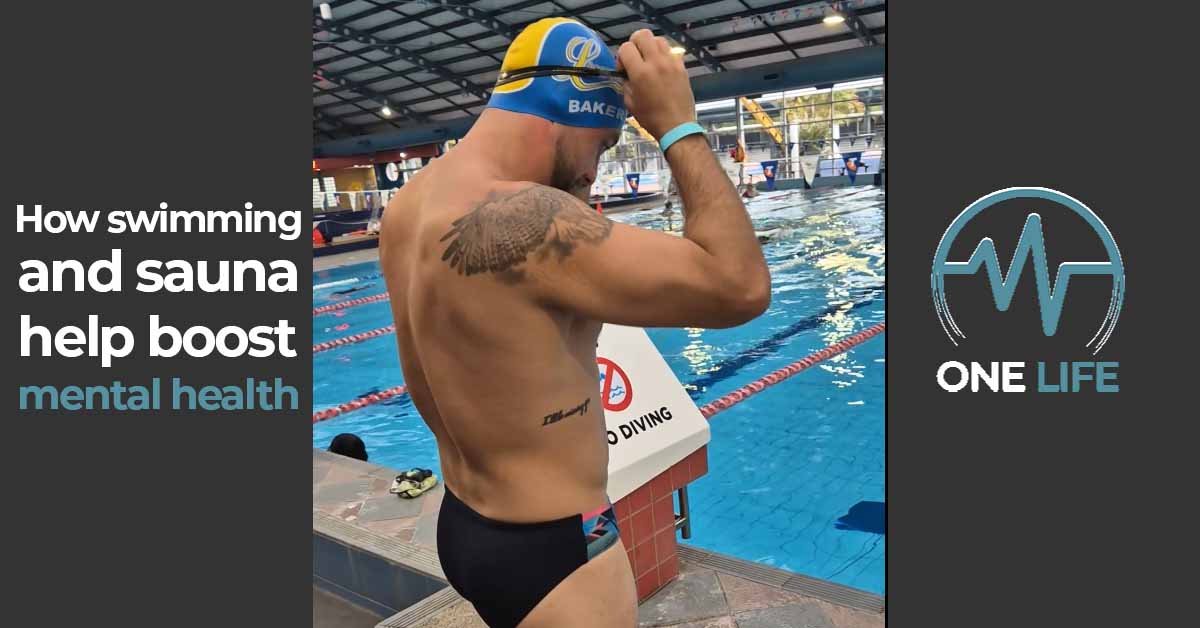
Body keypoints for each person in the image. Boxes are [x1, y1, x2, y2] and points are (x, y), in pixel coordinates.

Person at [379, 19, 770, 628]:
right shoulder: (530, 218)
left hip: (464, 524)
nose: (594, 172)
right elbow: (741, 286)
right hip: (558, 556)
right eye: (603, 145)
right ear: (566, 109)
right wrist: (678, 127)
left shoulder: (411, 202)